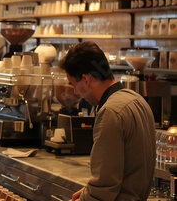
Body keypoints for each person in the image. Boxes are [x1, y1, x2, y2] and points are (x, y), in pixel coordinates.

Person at [58, 41, 155, 201]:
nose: (75, 92)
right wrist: (88, 190)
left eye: (74, 85)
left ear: (85, 79)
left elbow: (102, 191)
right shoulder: (138, 100)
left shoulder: (110, 112)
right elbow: (122, 174)